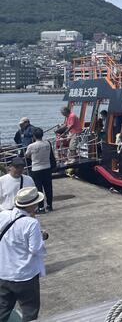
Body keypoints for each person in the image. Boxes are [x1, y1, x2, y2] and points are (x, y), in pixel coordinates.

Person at [0, 187, 48, 322]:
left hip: (3, 273)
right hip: (24, 276)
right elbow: (36, 249)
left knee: (3, 310)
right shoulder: (31, 223)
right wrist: (42, 236)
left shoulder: (3, 215)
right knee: (30, 312)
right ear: (32, 205)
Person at [25, 130, 53, 213]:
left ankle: (41, 207)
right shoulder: (47, 143)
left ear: (34, 136)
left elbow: (27, 155)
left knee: (38, 189)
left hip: (36, 169)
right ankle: (49, 205)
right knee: (48, 187)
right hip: (47, 167)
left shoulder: (31, 146)